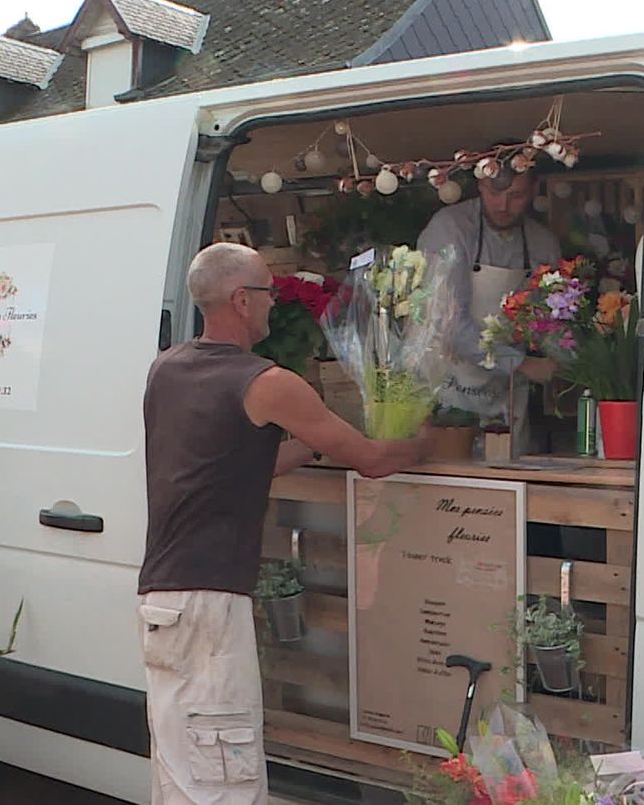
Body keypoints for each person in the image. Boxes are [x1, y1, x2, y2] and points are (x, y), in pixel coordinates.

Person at [137, 242, 431, 805]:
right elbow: (372, 460)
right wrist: (424, 439)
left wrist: (313, 447)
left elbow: (239, 467)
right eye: (270, 292)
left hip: (163, 602)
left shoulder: (166, 370)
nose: (277, 304)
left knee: (182, 778)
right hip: (210, 604)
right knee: (225, 780)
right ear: (242, 301)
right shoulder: (265, 382)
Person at [417, 156, 562, 448]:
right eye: (493, 193)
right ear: (480, 185)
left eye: (516, 196)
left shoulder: (543, 244)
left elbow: (549, 321)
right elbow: (449, 323)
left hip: (506, 397)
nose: (502, 206)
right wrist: (520, 364)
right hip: (449, 388)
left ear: (535, 190)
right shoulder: (450, 230)